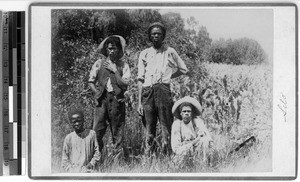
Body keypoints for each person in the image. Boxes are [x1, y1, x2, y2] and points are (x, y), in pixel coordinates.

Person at [137, 22, 189, 156]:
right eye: (153, 34)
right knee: (149, 127)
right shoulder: (144, 53)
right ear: (150, 36)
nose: (156, 36)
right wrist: (139, 102)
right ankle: (150, 157)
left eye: (159, 34)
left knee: (166, 126)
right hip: (147, 93)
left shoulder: (170, 51)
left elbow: (183, 69)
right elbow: (140, 79)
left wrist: (169, 75)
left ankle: (169, 156)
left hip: (163, 91)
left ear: (163, 36)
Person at [88, 35, 131, 154]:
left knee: (117, 131)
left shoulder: (123, 65)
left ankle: (117, 161)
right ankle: (96, 157)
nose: (112, 51)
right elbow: (91, 81)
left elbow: (124, 85)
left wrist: (115, 70)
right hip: (101, 100)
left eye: (114, 48)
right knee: (97, 130)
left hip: (117, 101)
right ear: (106, 49)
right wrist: (97, 93)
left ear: (119, 50)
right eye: (109, 48)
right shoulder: (99, 63)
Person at [171, 96, 213, 164]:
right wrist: (193, 142)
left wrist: (203, 137)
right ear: (180, 113)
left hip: (196, 150)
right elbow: (176, 148)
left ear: (192, 113)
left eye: (189, 111)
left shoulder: (197, 121)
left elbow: (206, 135)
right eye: (184, 111)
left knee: (205, 140)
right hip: (183, 151)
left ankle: (204, 165)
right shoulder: (177, 124)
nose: (186, 113)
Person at [61, 107, 101, 173]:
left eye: (79, 121)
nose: (77, 124)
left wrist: (91, 164)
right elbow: (65, 160)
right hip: (73, 172)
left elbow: (97, 153)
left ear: (83, 120)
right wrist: (71, 170)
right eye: (74, 122)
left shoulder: (92, 134)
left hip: (89, 171)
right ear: (71, 123)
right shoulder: (68, 138)